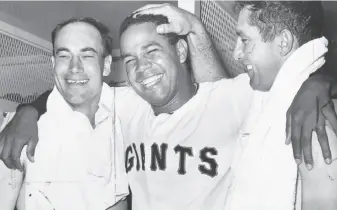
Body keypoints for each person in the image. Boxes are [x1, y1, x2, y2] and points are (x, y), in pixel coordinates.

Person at [1, 4, 337, 210]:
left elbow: (286, 68)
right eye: (130, 59)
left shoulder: (233, 98)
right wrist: (28, 111)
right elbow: (77, 86)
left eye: (151, 52)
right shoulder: (128, 105)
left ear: (180, 52)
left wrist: (318, 82)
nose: (140, 68)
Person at [134, 1, 337, 210]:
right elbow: (218, 100)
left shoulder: (312, 125)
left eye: (245, 40)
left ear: (283, 42)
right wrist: (194, 27)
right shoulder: (264, 102)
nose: (236, 53)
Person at [0, 17, 129, 210]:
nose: (74, 67)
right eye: (64, 56)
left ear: (108, 64)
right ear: (53, 63)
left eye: (87, 55)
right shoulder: (20, 131)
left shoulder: (127, 114)